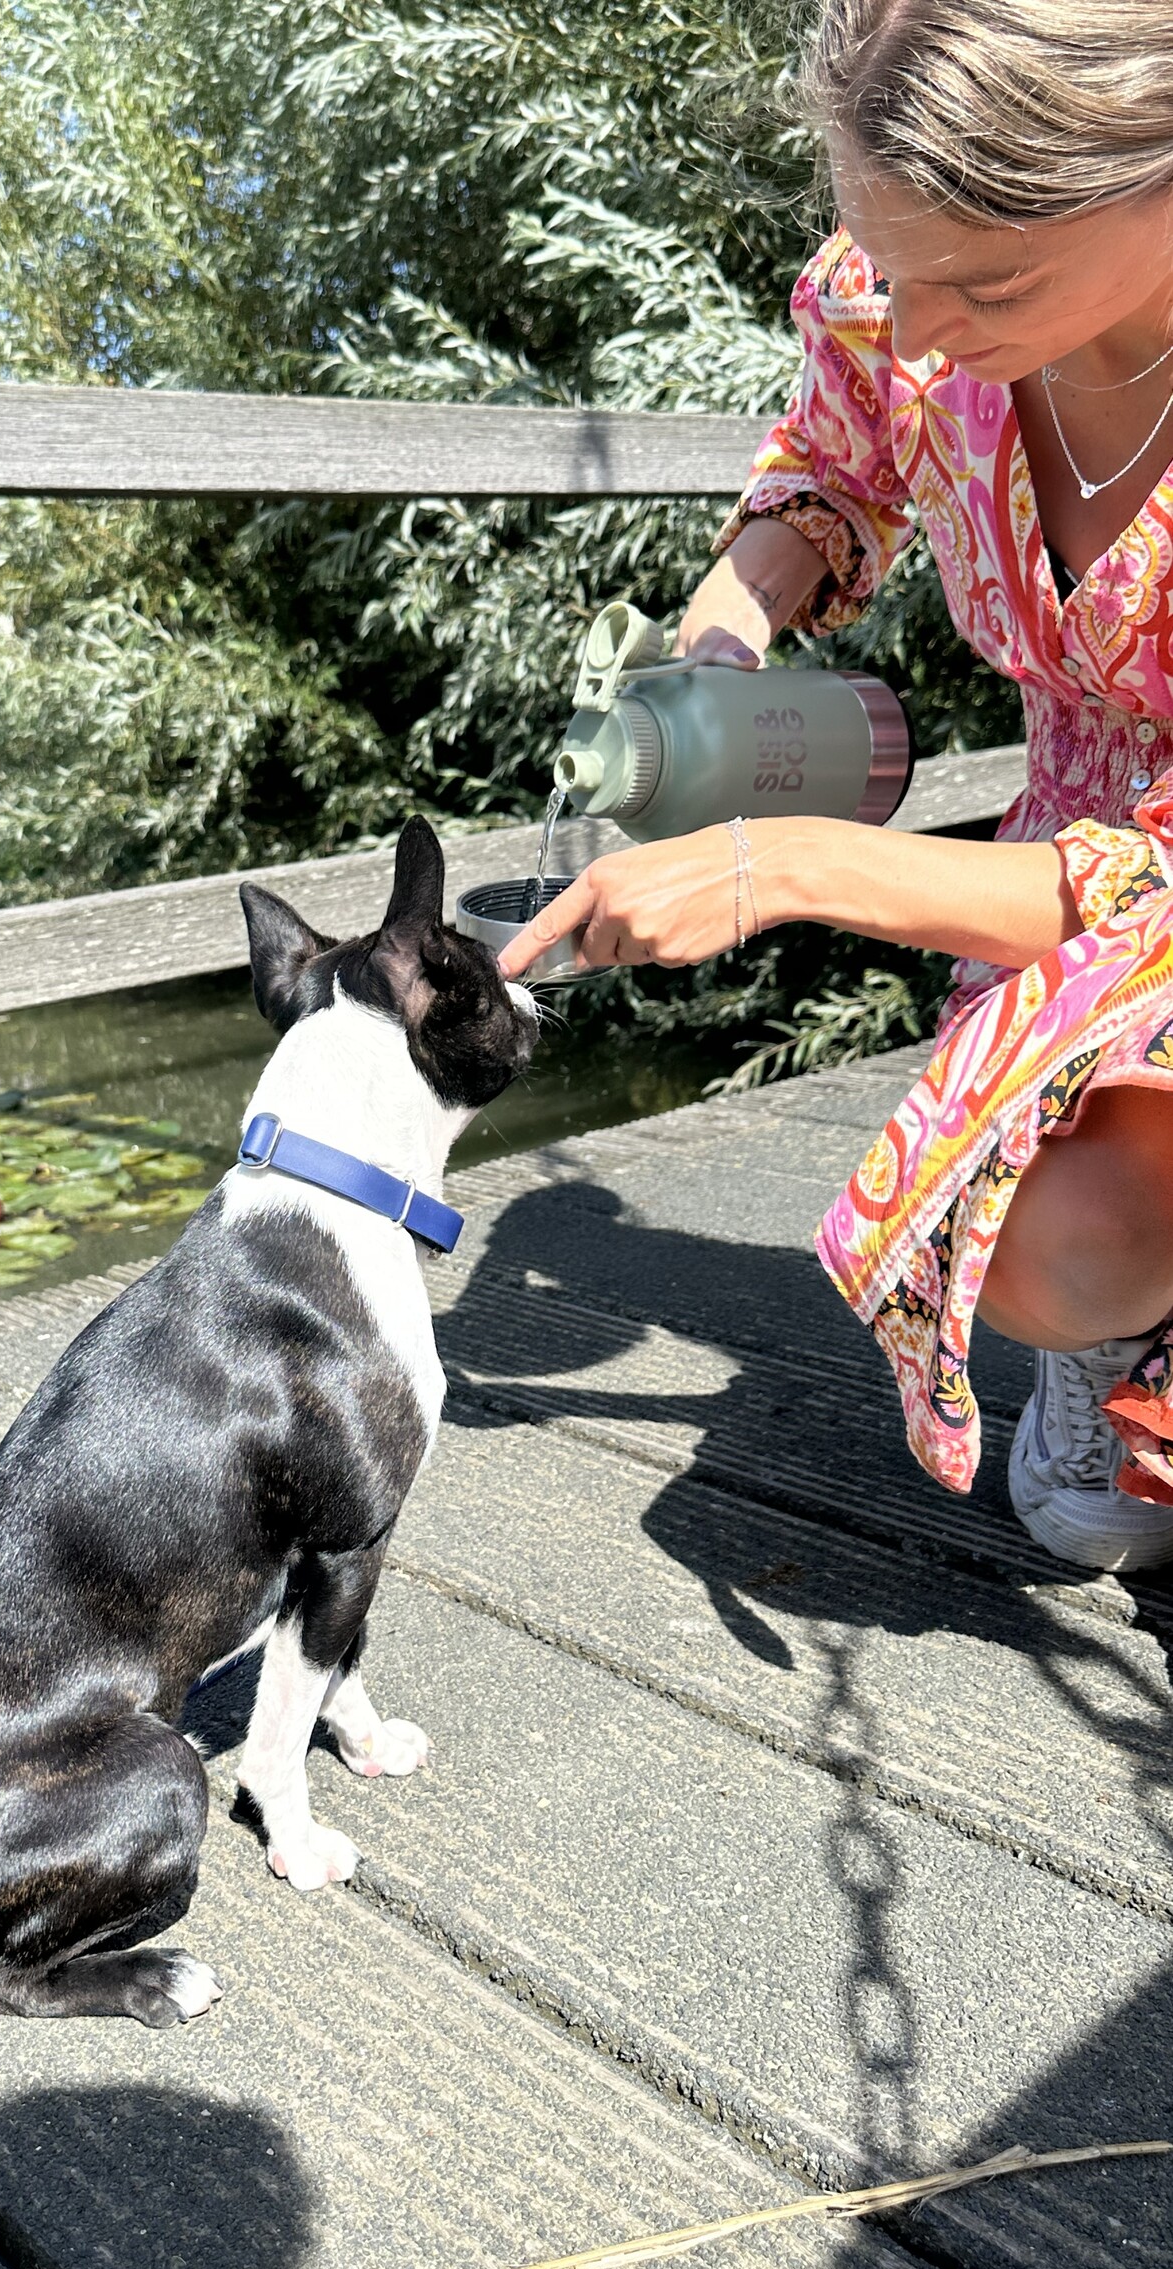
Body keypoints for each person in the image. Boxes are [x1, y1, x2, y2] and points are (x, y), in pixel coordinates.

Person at [497, 0, 1173, 1572]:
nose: (923, 329)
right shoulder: (909, 295)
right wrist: (730, 626)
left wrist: (777, 866)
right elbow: (838, 458)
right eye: (900, 271)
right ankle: (1121, 1333)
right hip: (1063, 856)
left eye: (986, 283)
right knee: (1045, 1237)